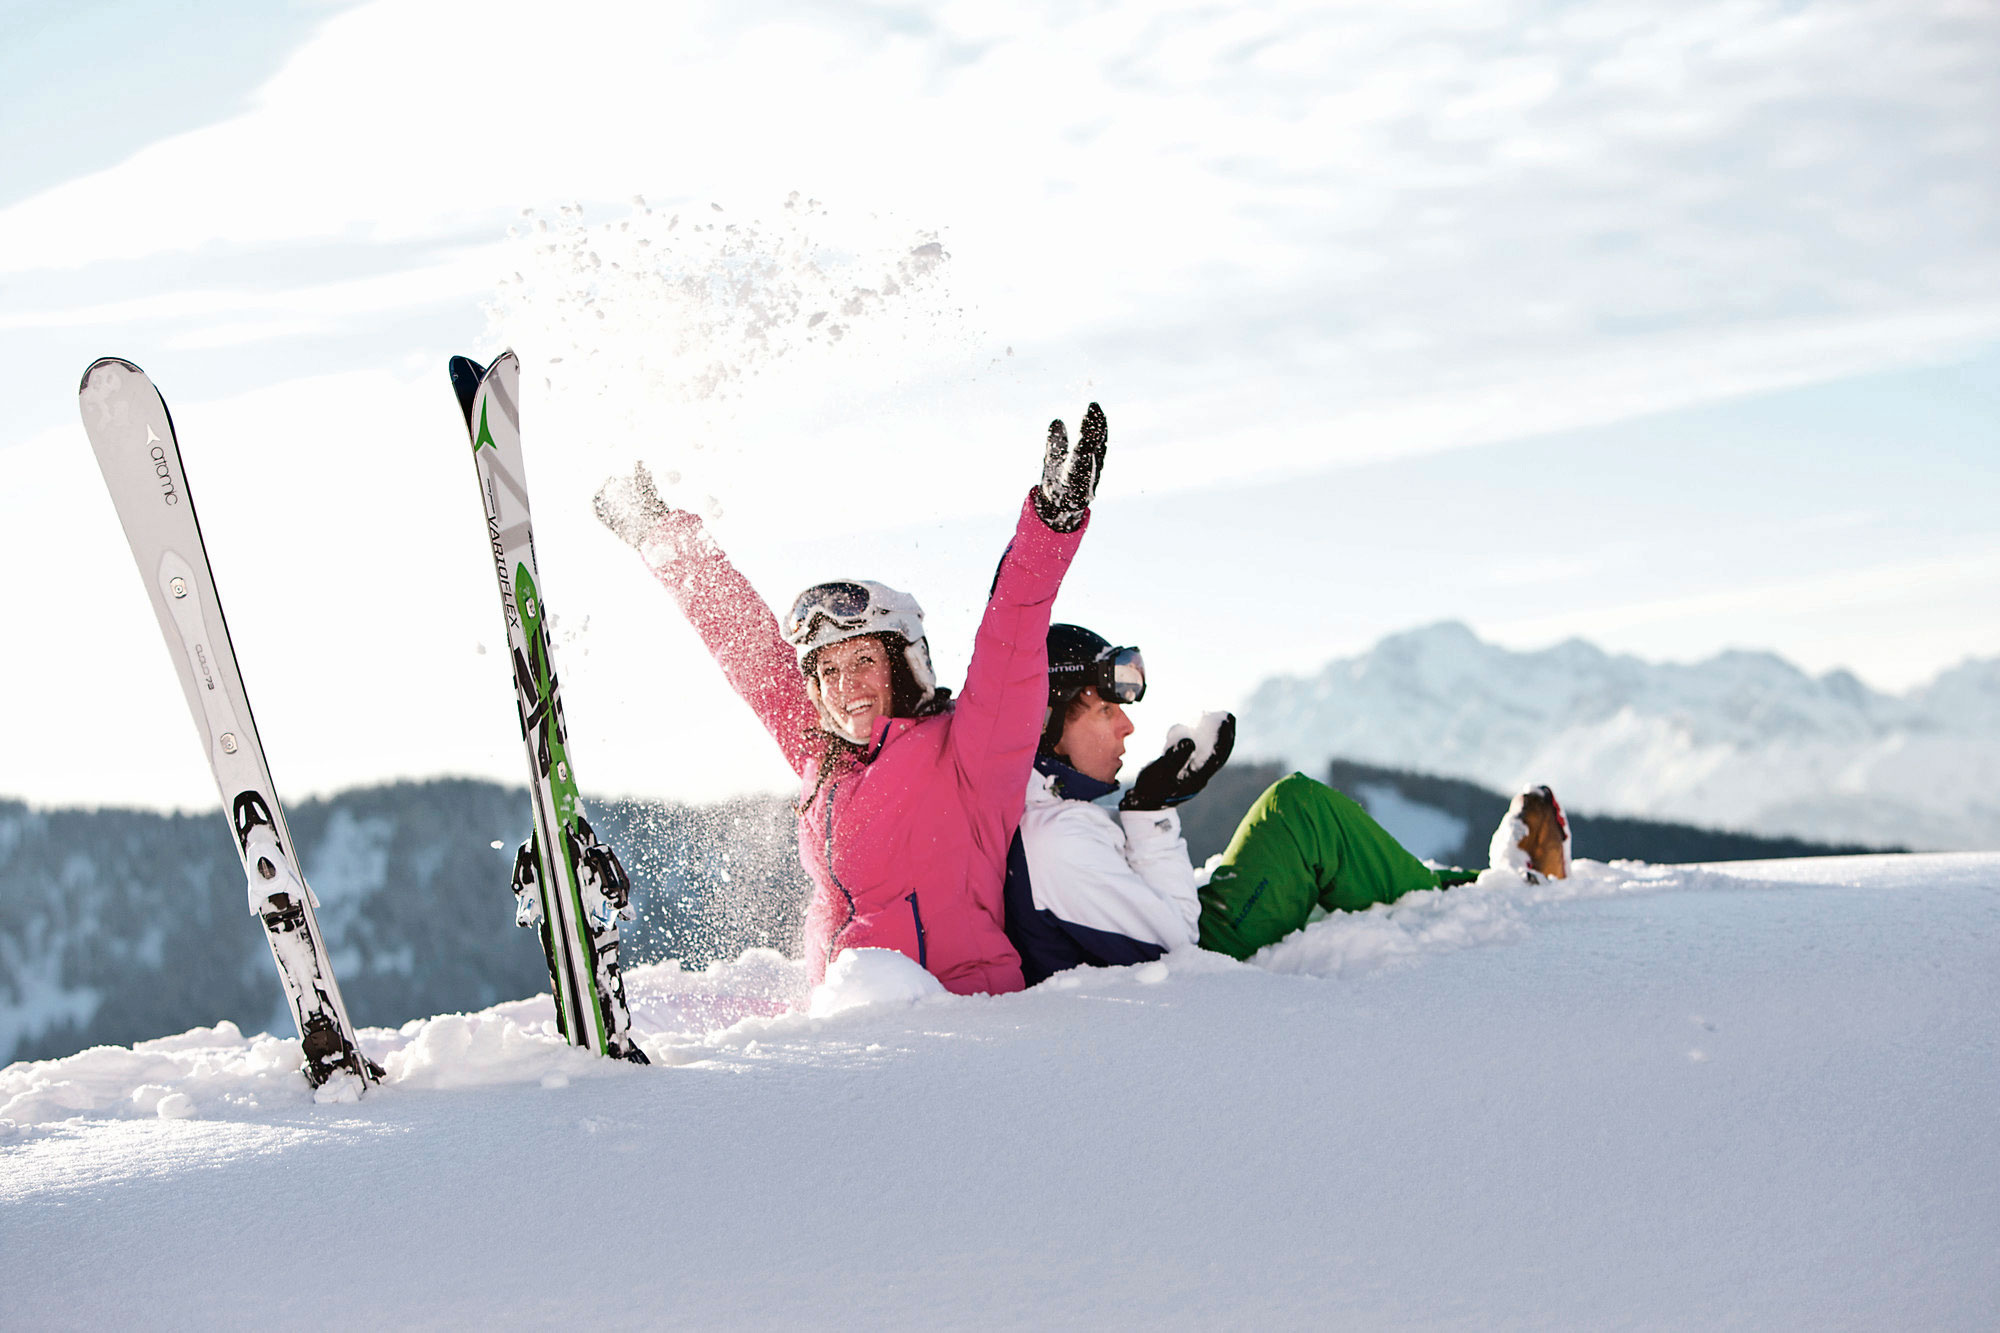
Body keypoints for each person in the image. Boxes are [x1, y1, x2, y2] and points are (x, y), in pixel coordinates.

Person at [592, 407, 1108, 995]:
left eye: (865, 660)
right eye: (829, 670)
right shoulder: (824, 756)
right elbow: (749, 650)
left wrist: (1050, 527)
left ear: (903, 667)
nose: (846, 686)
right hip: (849, 1031)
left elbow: (1012, 637)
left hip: (964, 1028)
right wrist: (660, 535)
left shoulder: (968, 752)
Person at [1004, 624, 1570, 983]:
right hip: (1190, 966)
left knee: (1302, 837)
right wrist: (1152, 810)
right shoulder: (1056, 839)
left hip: (1161, 949)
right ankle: (1491, 897)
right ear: (1047, 722)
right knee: (1299, 816)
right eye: (1106, 711)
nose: (1127, 725)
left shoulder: (1049, 811)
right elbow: (1176, 942)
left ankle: (1478, 886)